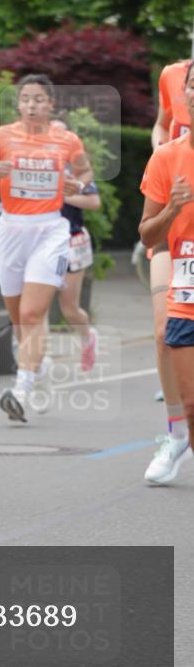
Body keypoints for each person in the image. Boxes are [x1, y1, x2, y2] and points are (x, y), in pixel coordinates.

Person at [0, 74, 92, 422]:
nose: (32, 105)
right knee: (19, 319)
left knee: (33, 314)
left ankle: (21, 389)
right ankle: (40, 369)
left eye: (39, 99)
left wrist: (76, 183)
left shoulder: (66, 139)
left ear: (51, 104)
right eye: (26, 99)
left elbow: (85, 173)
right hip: (11, 230)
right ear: (18, 104)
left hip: (51, 230)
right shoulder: (0, 136)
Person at [139, 59, 194, 482]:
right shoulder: (173, 74)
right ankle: (177, 435)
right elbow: (161, 124)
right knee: (164, 333)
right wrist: (161, 150)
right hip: (174, 235)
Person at [51, 117, 101, 372]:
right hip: (43, 241)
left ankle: (87, 337)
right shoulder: (38, 164)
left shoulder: (76, 171)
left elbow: (94, 202)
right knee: (33, 302)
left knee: (68, 308)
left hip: (73, 240)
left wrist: (67, 196)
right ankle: (35, 359)